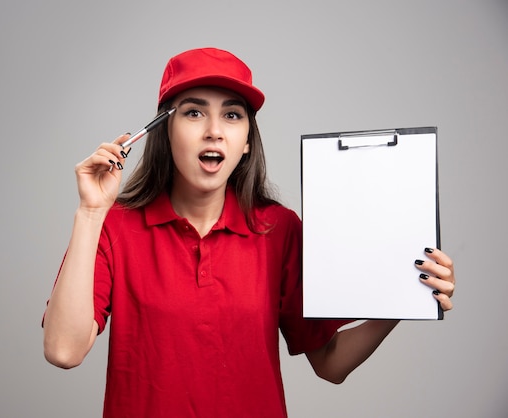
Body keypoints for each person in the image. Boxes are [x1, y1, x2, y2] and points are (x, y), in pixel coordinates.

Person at [42, 47, 456, 418]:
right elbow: (63, 350)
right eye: (193, 112)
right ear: (165, 134)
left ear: (245, 143)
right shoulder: (115, 227)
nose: (214, 130)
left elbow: (330, 364)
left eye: (232, 115)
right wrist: (91, 211)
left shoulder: (279, 230)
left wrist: (407, 297)